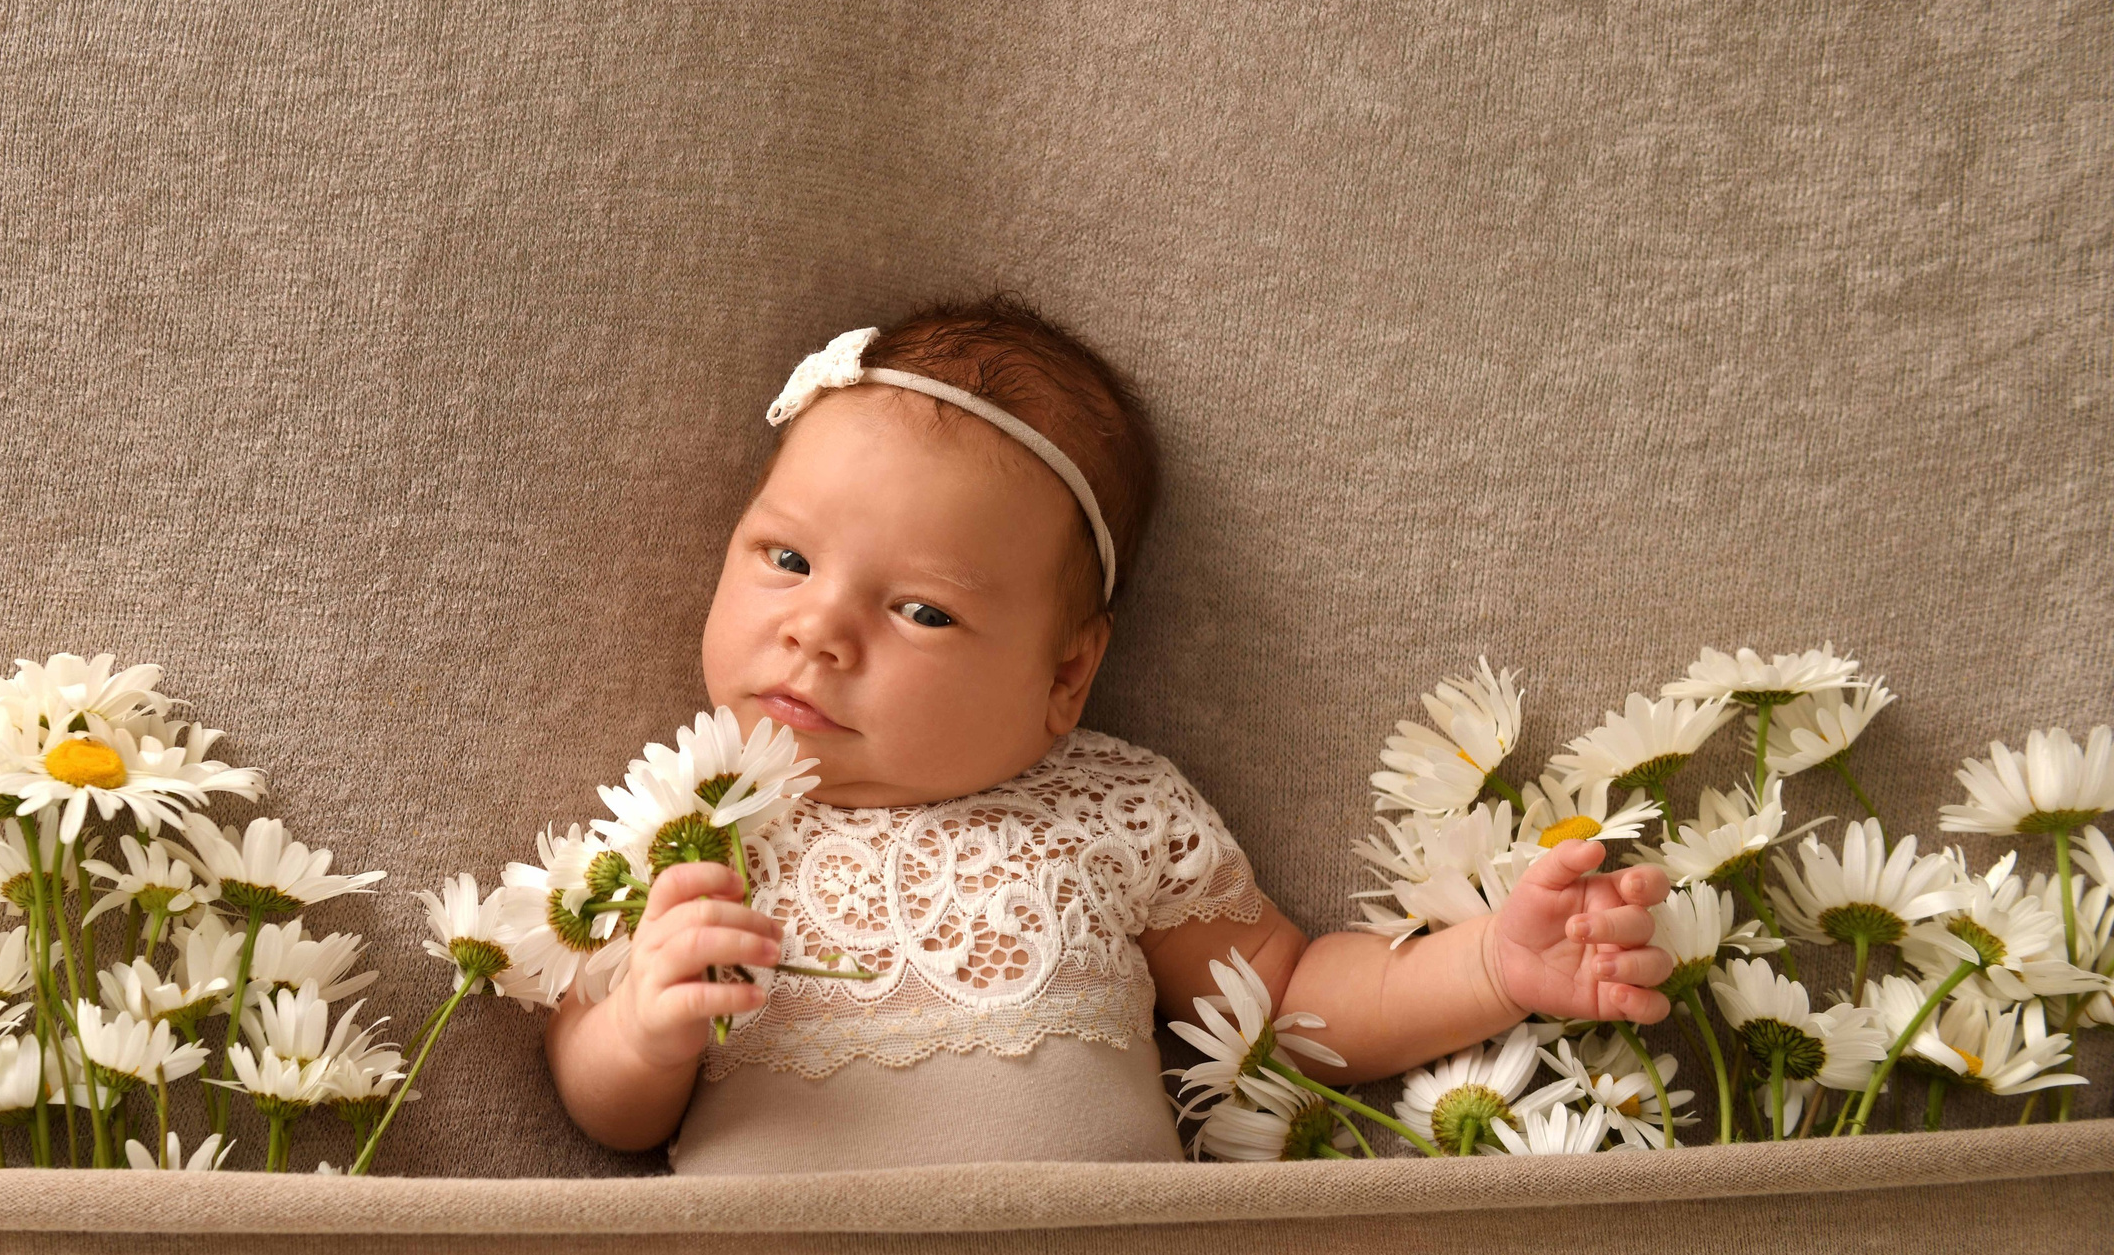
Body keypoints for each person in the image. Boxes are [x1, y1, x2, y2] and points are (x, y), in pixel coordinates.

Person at [541, 297, 1674, 1172]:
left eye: (922, 610)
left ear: (1066, 674)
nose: (818, 631)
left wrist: (1490, 965)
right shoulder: (682, 827)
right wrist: (640, 1032)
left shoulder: (1112, 808)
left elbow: (1282, 1004)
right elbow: (607, 1110)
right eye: (786, 558)